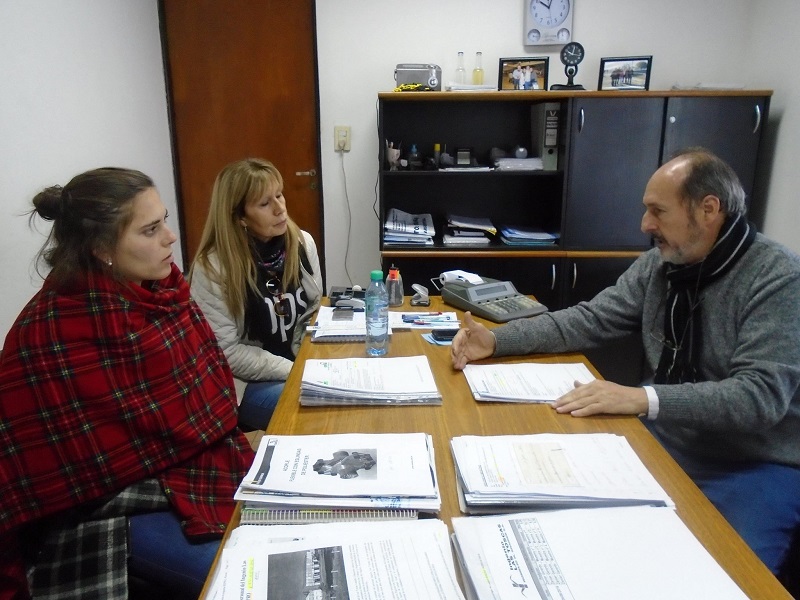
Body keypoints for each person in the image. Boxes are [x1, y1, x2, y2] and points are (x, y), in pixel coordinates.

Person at [451, 148, 800, 575]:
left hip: (755, 463)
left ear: (709, 209)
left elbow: (758, 399)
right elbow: (592, 319)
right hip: (672, 437)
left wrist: (641, 399)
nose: (645, 225)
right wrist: (497, 341)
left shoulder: (778, 278)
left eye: (658, 211)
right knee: (581, 533)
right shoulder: (663, 264)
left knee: (727, 575)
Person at [0, 168, 254, 598]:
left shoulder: (165, 292)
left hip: (198, 463)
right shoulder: (48, 332)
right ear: (101, 248)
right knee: (245, 577)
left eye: (164, 221)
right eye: (150, 230)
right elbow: (34, 469)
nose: (171, 238)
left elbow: (209, 395)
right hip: (98, 504)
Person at [189, 158, 323, 430]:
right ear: (240, 217)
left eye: (279, 195)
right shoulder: (213, 267)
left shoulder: (302, 242)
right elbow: (227, 352)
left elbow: (313, 311)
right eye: (264, 203)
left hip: (299, 365)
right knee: (317, 409)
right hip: (247, 382)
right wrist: (296, 370)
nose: (280, 208)